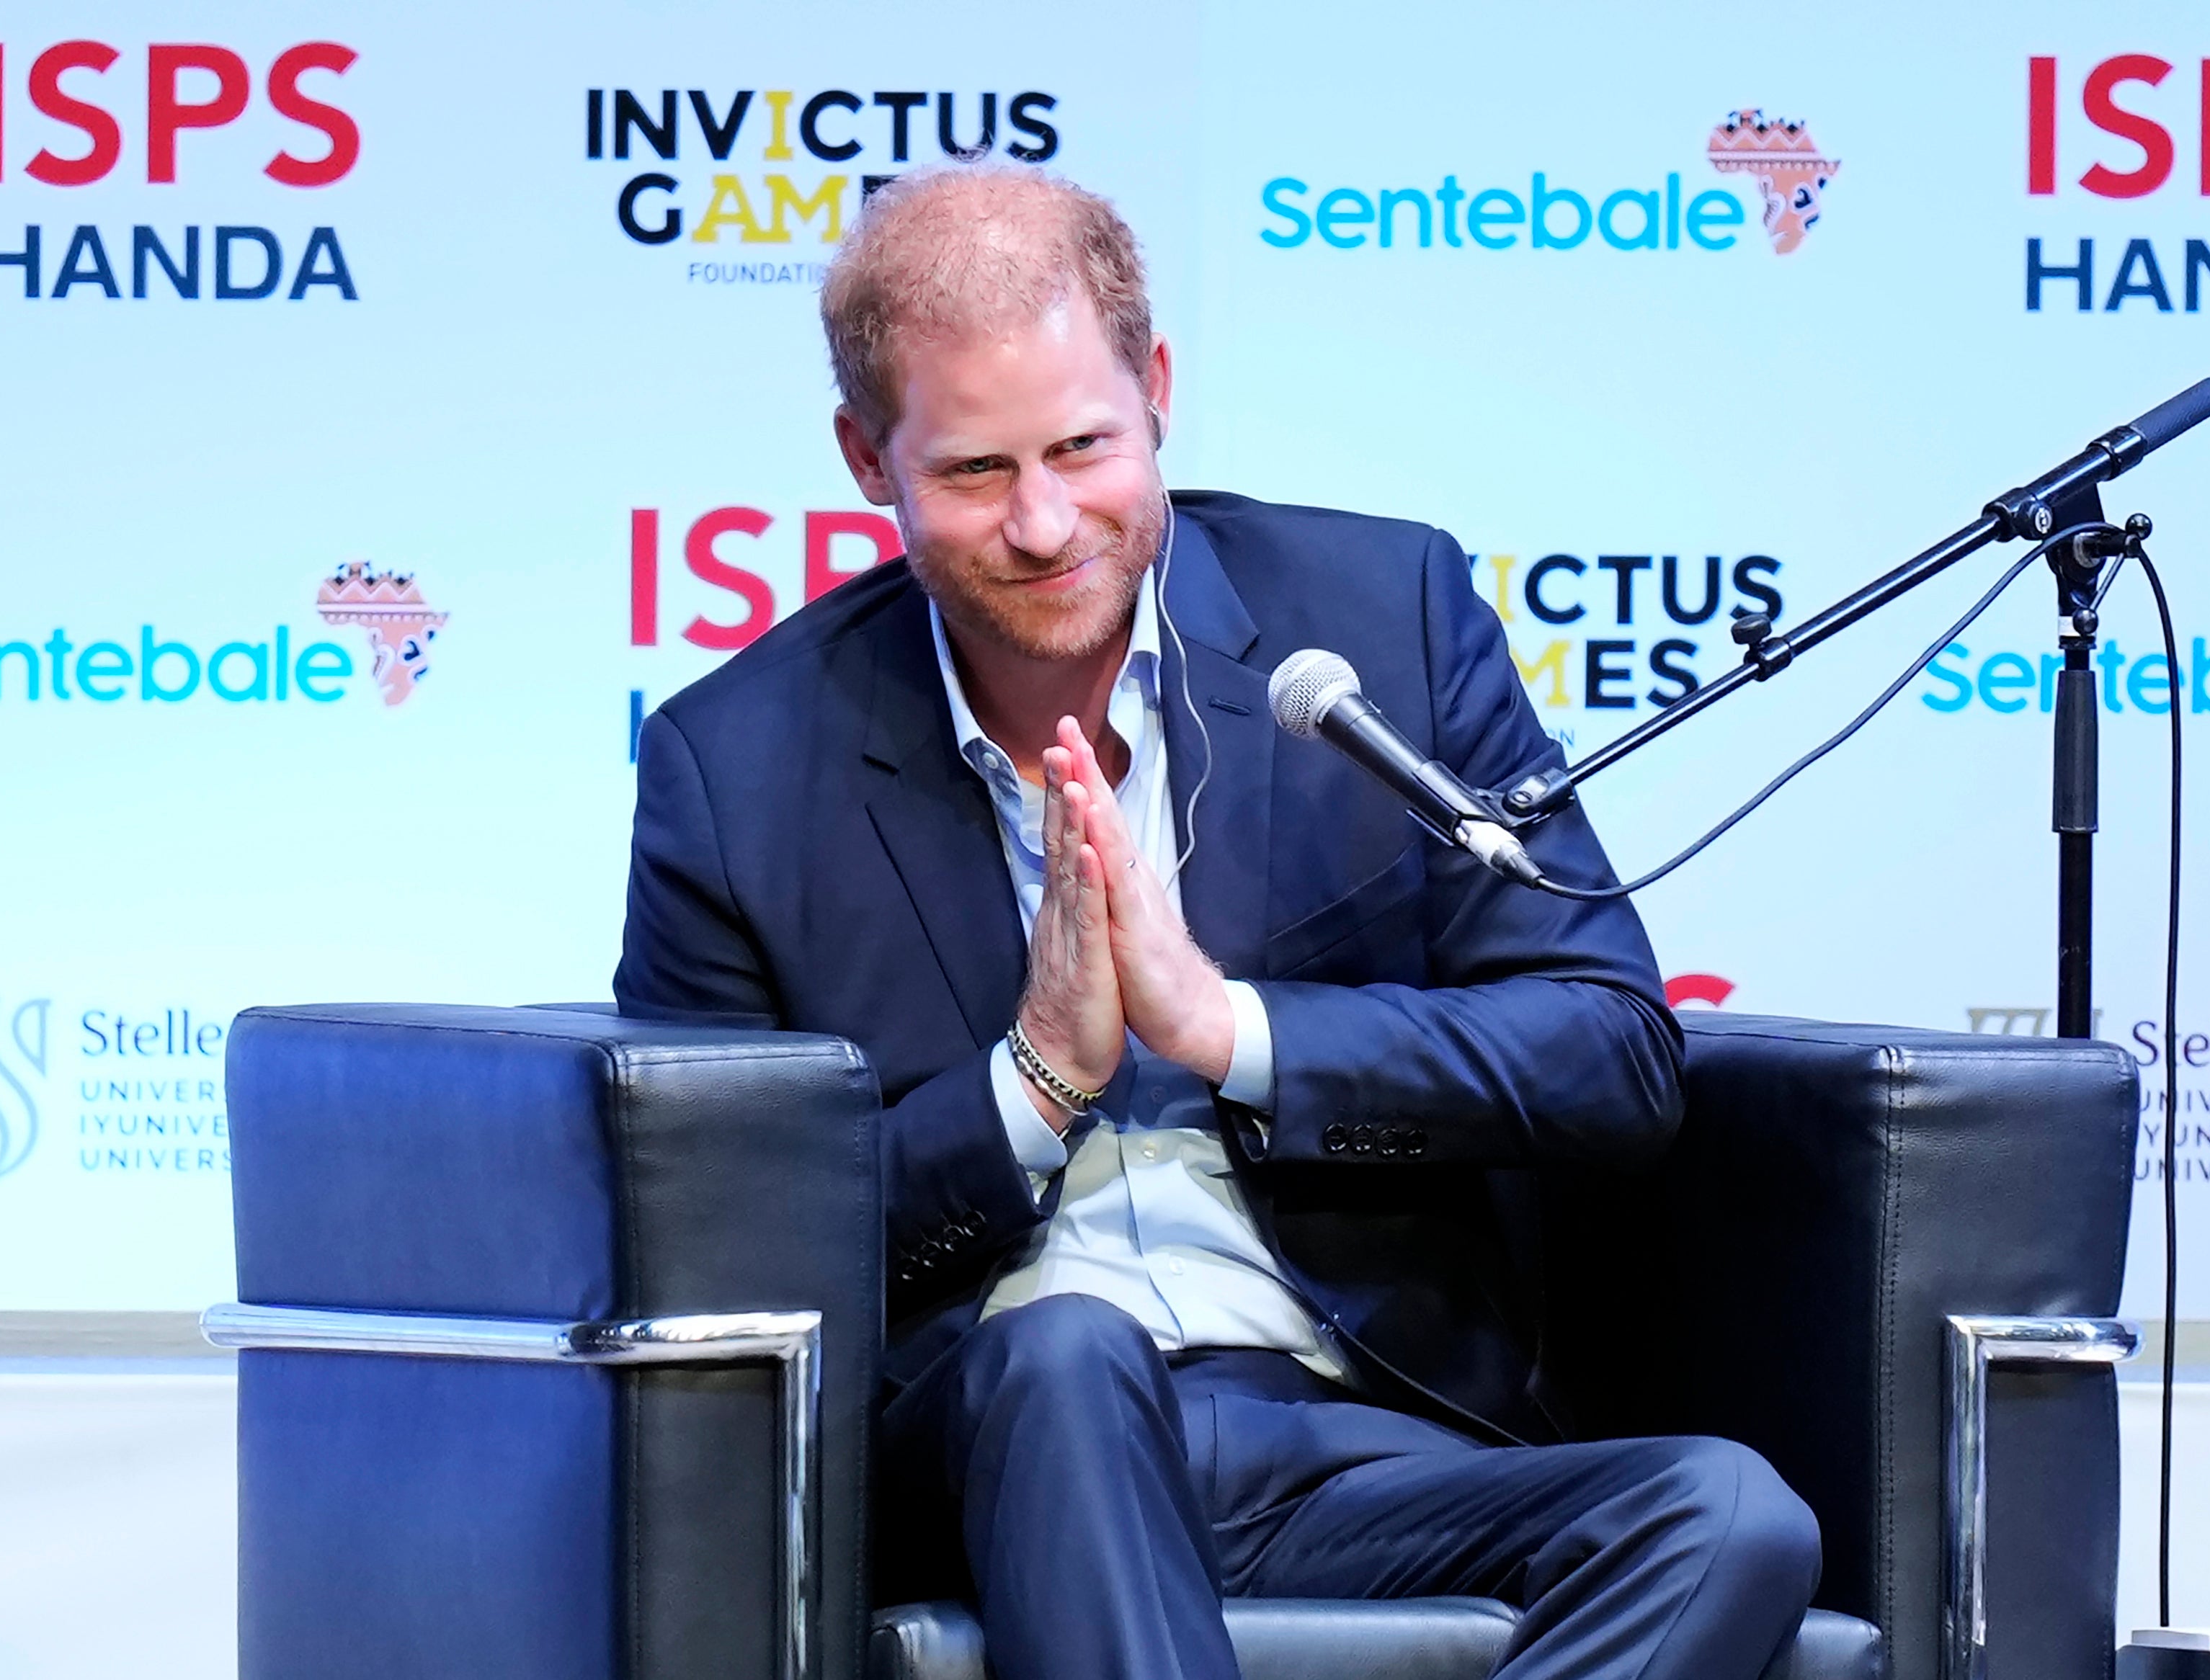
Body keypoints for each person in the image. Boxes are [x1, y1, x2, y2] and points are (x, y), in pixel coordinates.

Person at [614, 163, 1819, 1680]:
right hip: (997, 1445)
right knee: (1063, 1352)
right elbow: (705, 1238)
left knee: (1727, 1513)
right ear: (868, 459)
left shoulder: (1386, 621)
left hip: (1353, 1427)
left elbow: (1609, 1048)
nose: (1046, 523)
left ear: (1158, 389)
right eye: (976, 472)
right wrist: (1031, 1084)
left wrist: (1231, 1030)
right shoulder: (738, 763)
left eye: (1083, 446)